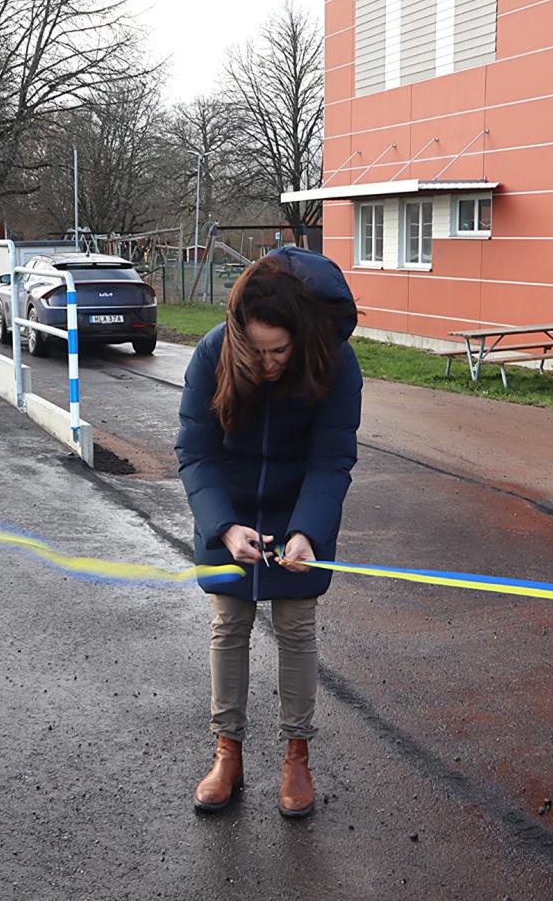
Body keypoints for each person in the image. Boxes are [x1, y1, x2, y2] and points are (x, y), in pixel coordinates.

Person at [175, 246, 362, 818]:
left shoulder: (335, 361)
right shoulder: (213, 353)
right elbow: (195, 451)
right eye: (255, 352)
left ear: (301, 335)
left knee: (296, 624)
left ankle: (295, 755)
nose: (268, 364)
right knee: (228, 623)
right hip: (228, 509)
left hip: (299, 507)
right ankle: (226, 752)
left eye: (279, 351)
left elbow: (331, 459)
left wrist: (307, 531)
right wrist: (223, 526)